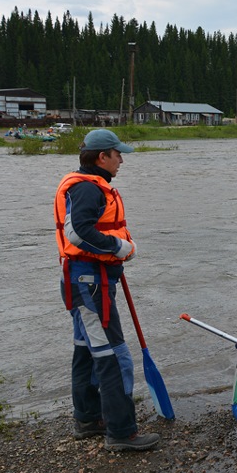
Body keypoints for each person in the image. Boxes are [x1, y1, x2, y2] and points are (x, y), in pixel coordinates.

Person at [53, 129, 160, 452]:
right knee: (114, 355)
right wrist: (119, 247)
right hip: (90, 284)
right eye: (118, 154)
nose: (121, 160)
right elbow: (77, 233)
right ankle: (121, 431)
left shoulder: (87, 185)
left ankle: (87, 418)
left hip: (85, 280)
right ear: (102, 157)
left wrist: (115, 253)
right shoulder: (87, 189)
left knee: (86, 349)